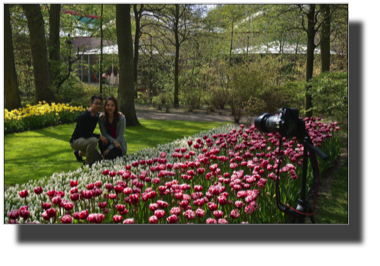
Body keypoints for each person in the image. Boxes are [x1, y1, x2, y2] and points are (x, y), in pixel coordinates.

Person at [70, 95, 109, 167]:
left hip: (86, 141)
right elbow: (83, 133)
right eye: (96, 103)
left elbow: (106, 115)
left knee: (99, 160)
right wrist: (99, 136)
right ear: (91, 104)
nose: (98, 105)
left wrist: (119, 113)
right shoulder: (84, 116)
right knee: (94, 140)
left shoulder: (96, 115)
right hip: (76, 141)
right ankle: (87, 162)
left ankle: (79, 153)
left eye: (100, 104)